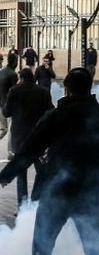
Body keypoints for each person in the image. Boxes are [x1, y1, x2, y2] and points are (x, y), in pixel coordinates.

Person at [0, 67, 99, 255]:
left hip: (56, 192)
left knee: (42, 247)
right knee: (94, 246)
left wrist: (6, 176)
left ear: (66, 87)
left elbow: (29, 149)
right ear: (89, 87)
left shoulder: (57, 115)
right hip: (87, 195)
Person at [2, 68, 53, 206]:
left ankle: (22, 207)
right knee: (41, 172)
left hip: (20, 139)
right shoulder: (43, 92)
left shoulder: (14, 91)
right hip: (39, 137)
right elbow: (51, 112)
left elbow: (6, 112)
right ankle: (35, 201)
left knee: (21, 174)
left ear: (22, 78)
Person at [0, 53, 19, 142]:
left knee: (4, 129)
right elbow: (14, 92)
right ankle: (10, 153)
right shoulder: (12, 74)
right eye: (17, 61)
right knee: (11, 130)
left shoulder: (1, 71)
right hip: (7, 105)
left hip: (1, 104)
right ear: (15, 62)